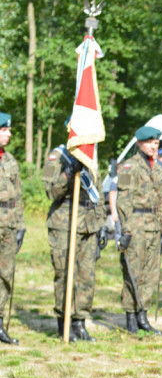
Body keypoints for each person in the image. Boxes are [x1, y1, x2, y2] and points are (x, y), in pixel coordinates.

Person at [42, 138, 106, 342]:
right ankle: (64, 323)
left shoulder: (90, 157)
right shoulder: (58, 157)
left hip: (88, 224)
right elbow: (51, 191)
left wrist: (101, 224)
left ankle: (80, 323)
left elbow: (98, 194)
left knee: (86, 276)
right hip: (65, 223)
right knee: (65, 273)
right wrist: (68, 172)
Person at [111, 126, 162, 335]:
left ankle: (142, 315)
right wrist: (126, 230)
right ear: (139, 144)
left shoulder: (159, 170)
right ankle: (130, 316)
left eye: (156, 143)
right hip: (136, 225)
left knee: (151, 273)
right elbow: (123, 200)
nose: (154, 146)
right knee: (133, 272)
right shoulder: (130, 167)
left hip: (154, 226)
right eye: (150, 142)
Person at [0, 112, 25, 345]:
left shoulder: (10, 160)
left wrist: (21, 225)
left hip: (8, 223)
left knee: (6, 274)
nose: (8, 134)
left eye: (8, 130)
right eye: (4, 130)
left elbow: (17, 195)